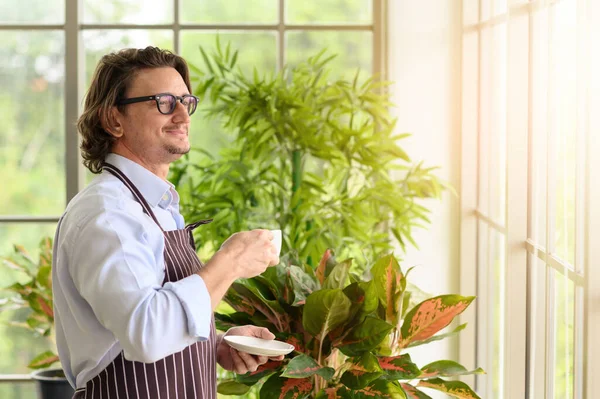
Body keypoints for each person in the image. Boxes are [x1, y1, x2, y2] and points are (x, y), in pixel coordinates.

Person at [52, 46, 281, 399]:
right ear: (114, 120)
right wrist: (230, 261)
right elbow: (147, 333)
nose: (182, 115)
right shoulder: (108, 215)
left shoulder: (156, 207)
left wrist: (218, 343)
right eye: (163, 102)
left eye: (185, 102)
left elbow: (148, 317)